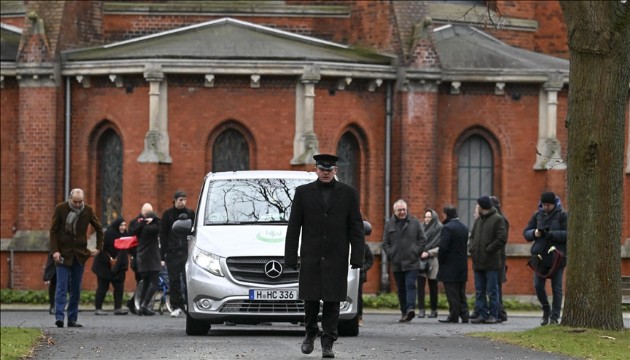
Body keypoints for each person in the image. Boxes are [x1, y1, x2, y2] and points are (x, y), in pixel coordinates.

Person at [284, 153, 364, 359]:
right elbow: (294, 227)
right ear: (316, 170)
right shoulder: (303, 193)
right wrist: (290, 257)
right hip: (310, 257)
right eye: (322, 170)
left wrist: (357, 256)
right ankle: (310, 333)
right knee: (310, 300)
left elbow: (356, 227)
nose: (325, 173)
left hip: (336, 257)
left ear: (335, 171)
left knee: (332, 301)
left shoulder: (348, 194)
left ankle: (328, 343)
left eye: (329, 170)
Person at [49, 188, 103, 328]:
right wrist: (55, 251)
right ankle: (59, 317)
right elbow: (53, 231)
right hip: (63, 254)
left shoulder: (88, 210)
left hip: (79, 254)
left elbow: (99, 228)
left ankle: (72, 319)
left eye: (80, 202)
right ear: (70, 199)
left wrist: (98, 247)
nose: (78, 205)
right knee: (61, 287)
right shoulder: (61, 208)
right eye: (75, 202)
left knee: (76, 289)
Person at [523, 191, 567, 326]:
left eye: (548, 205)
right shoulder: (537, 215)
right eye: (544, 205)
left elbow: (568, 234)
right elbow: (526, 233)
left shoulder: (562, 215)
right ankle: (546, 309)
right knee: (538, 285)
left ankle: (554, 317)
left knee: (557, 287)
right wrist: (535, 233)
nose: (546, 207)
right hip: (540, 256)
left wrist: (552, 234)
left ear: (554, 204)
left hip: (557, 257)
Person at [382, 199, 427, 323]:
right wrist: (391, 254)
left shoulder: (414, 222)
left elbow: (422, 239)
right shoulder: (389, 224)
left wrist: (416, 252)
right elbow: (385, 243)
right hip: (397, 263)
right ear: (394, 211)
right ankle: (404, 312)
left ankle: (410, 309)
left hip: (412, 261)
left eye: (404, 210)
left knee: (410, 285)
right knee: (401, 288)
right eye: (399, 210)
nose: (402, 212)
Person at [468, 196, 506, 324]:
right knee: (479, 290)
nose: (477, 207)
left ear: (482, 207)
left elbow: (501, 238)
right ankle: (482, 314)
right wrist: (472, 248)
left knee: (492, 290)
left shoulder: (497, 219)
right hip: (478, 261)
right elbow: (472, 236)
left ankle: (494, 315)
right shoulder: (479, 220)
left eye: (478, 205)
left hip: (491, 262)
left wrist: (488, 249)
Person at [160, 191, 195, 318]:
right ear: (174, 200)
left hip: (186, 252)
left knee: (188, 280)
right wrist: (162, 256)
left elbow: (194, 232)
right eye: (180, 199)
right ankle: (176, 306)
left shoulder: (191, 213)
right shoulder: (168, 215)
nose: (183, 202)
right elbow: (163, 235)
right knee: (174, 281)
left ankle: (188, 305)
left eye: (185, 200)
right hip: (172, 252)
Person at [436, 206, 470, 323]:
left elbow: (443, 247)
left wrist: (441, 261)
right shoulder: (464, 227)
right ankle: (465, 315)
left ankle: (454, 315)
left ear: (446, 214)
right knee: (461, 292)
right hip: (462, 264)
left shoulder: (447, 228)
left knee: (452, 292)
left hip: (449, 265)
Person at [91, 217, 129, 315]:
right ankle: (98, 308)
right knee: (103, 287)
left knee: (119, 287)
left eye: (124, 225)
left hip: (119, 266)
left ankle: (118, 308)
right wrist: (110, 259)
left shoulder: (125, 234)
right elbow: (101, 249)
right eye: (121, 225)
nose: (123, 227)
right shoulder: (108, 234)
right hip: (104, 266)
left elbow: (126, 249)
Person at [130, 208, 162, 316]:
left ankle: (141, 307)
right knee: (154, 283)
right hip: (152, 259)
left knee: (146, 283)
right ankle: (144, 304)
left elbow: (133, 229)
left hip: (141, 259)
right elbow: (161, 225)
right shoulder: (151, 228)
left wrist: (143, 221)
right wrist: (153, 218)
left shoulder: (140, 228)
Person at [126, 203, 153, 314]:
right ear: (142, 212)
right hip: (138, 257)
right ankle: (138, 304)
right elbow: (131, 239)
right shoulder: (135, 223)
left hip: (149, 257)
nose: (148, 215)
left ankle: (136, 303)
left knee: (146, 282)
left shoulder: (153, 221)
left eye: (150, 213)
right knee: (141, 282)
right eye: (146, 213)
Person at [418, 208, 442, 318]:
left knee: (433, 286)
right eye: (425, 217)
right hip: (421, 259)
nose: (427, 219)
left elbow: (441, 247)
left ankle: (434, 310)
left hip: (433, 260)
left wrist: (429, 253)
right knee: (420, 286)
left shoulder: (439, 228)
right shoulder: (420, 228)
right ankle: (421, 309)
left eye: (429, 217)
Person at [490, 196, 509, 323]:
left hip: (497, 257)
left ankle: (500, 312)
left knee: (496, 286)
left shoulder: (500, 221)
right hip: (499, 257)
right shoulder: (503, 220)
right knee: (496, 286)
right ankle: (500, 311)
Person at [358, 241, 374, 327]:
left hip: (359, 274)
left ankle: (359, 317)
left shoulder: (363, 245)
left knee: (358, 296)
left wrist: (363, 269)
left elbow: (370, 259)